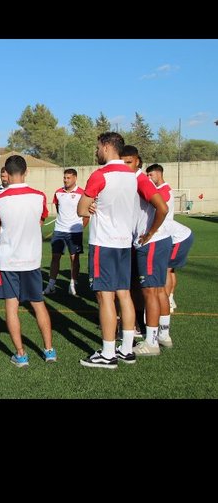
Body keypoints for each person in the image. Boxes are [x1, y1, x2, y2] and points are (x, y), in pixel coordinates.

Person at [77, 133, 138, 368]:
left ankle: (108, 353)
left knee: (104, 297)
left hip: (104, 242)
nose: (96, 152)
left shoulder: (100, 175)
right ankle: (126, 349)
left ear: (106, 147)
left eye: (97, 147)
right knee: (124, 295)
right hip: (124, 242)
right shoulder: (131, 175)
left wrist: (90, 205)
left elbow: (82, 210)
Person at [0, 153, 56, 367]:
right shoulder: (39, 196)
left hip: (8, 261)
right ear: (26, 172)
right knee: (38, 305)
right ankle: (49, 350)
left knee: (11, 306)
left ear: (6, 175)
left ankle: (21, 354)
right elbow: (40, 220)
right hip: (31, 260)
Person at [121, 148, 170, 357]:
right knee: (157, 290)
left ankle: (151, 343)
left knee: (150, 291)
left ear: (138, 162)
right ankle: (161, 335)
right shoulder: (134, 181)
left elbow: (163, 208)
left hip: (151, 244)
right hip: (157, 242)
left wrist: (149, 232)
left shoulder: (141, 181)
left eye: (129, 162)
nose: (126, 166)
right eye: (122, 162)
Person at [146, 162, 194, 328]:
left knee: (165, 269)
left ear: (158, 174)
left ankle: (165, 299)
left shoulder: (163, 190)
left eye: (150, 175)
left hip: (175, 237)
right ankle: (170, 298)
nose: (149, 178)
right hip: (173, 234)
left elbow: (158, 206)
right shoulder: (164, 189)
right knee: (170, 269)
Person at [43, 169, 88, 297]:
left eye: (68, 178)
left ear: (75, 178)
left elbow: (86, 214)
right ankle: (51, 285)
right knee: (55, 257)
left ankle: (73, 284)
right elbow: (58, 209)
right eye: (64, 178)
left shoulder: (82, 193)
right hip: (59, 230)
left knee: (74, 258)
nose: (66, 180)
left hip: (75, 232)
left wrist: (79, 227)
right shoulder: (58, 192)